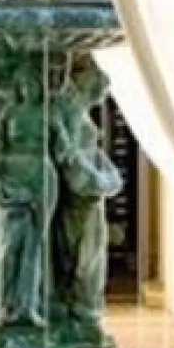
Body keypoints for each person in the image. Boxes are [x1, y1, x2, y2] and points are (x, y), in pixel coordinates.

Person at [0, 61, 58, 327]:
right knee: (6, 248)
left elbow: (65, 147)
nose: (28, 89)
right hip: (11, 174)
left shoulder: (47, 114)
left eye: (33, 84)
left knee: (34, 246)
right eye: (24, 84)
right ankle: (3, 306)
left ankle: (30, 306)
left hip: (41, 174)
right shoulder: (8, 112)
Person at [52, 54, 122, 322]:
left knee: (85, 255)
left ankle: (82, 304)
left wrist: (100, 176)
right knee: (80, 255)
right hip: (78, 194)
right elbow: (69, 157)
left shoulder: (73, 111)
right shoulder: (67, 111)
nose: (100, 97)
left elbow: (82, 156)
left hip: (86, 191)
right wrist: (96, 177)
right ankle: (79, 304)